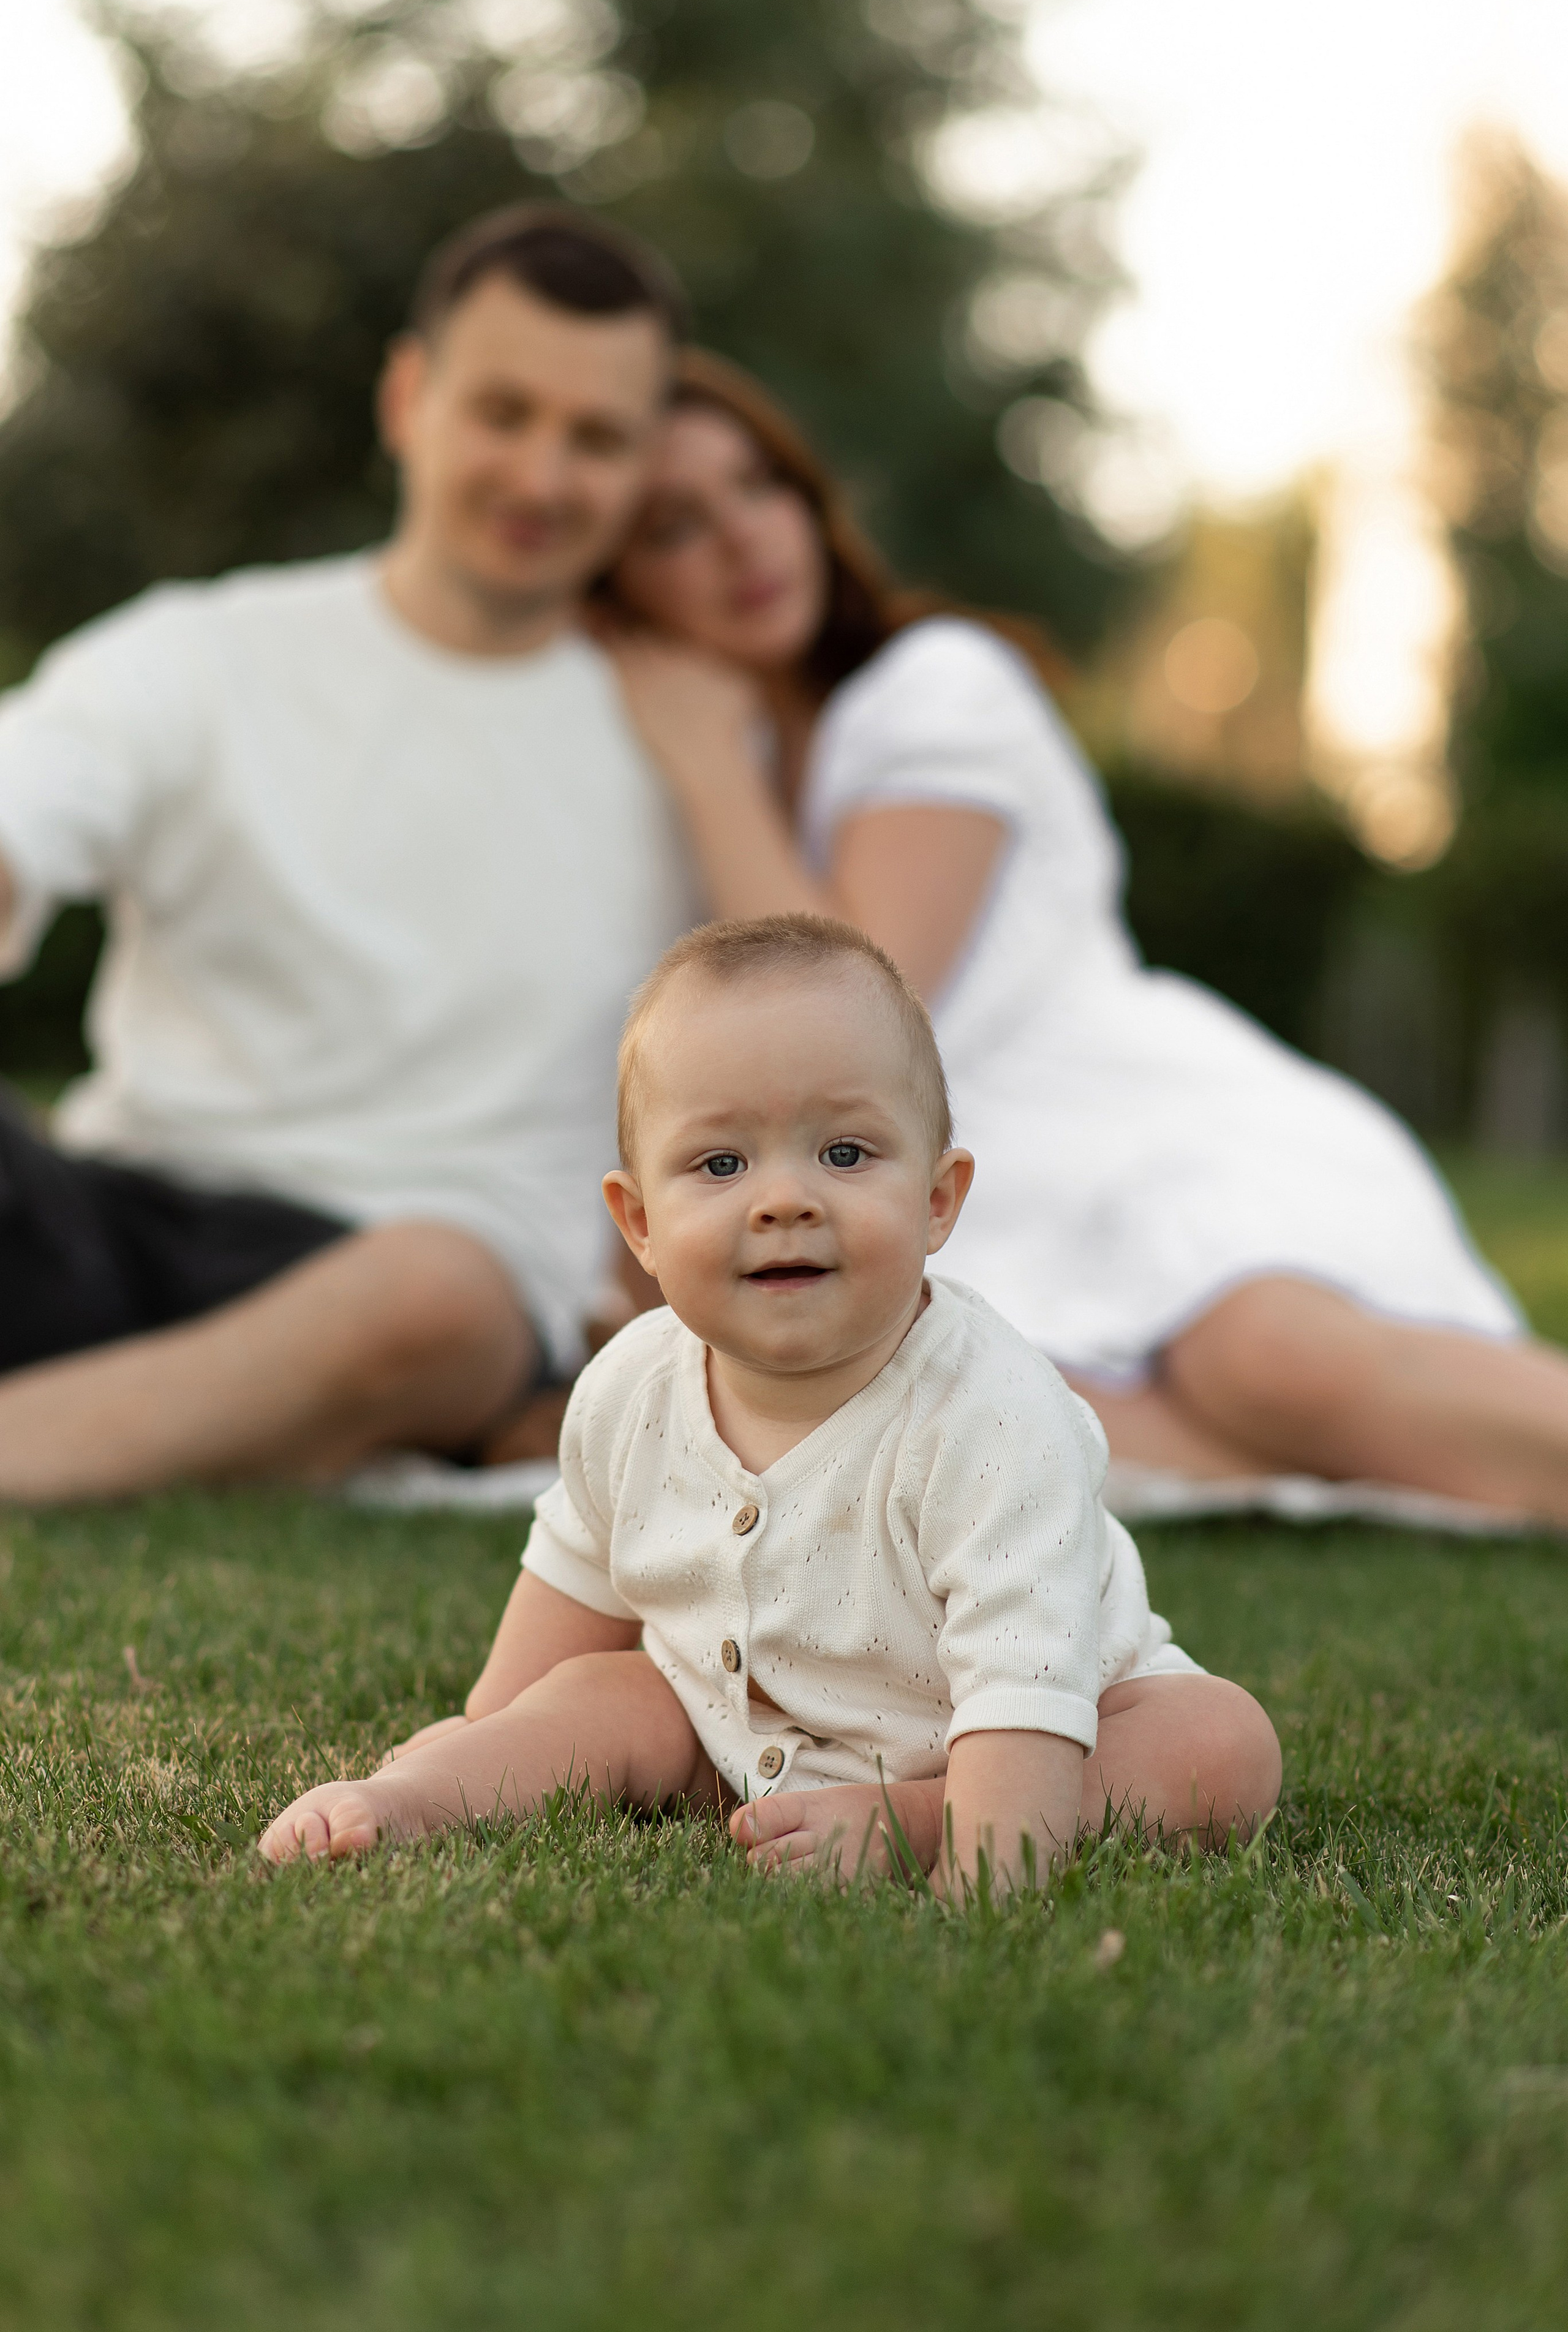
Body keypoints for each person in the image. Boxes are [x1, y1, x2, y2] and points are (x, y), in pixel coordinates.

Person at [590, 350, 1568, 1526]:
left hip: (1127, 1124)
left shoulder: (936, 685)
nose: (742, 540)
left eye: (758, 486)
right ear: (618, 592)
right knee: (937, 1408)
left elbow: (847, 1017)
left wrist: (706, 766)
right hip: (944, 1188)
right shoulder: (686, 784)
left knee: (1269, 1354)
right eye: (675, 528)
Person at [259, 915, 1280, 1881]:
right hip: (733, 1738)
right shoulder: (630, 1386)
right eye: (721, 1163)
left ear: (937, 1200)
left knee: (1220, 1744)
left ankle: (916, 1820)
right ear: (640, 1223)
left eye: (845, 1154)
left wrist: (983, 1886)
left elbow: (1024, 1688)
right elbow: (577, 1578)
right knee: (599, 1693)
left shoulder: (997, 1419)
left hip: (1031, 1734)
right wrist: (488, 1735)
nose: (784, 1200)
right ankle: (408, 1803)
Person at [0, 204, 696, 1504]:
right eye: (503, 413)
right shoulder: (209, 652)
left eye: (596, 438)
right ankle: (164, 1427)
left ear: (646, 459)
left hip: (420, 1281)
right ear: (408, 397)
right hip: (117, 1219)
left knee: (441, 1294)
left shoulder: (693, 738)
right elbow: (27, 797)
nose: (542, 477)